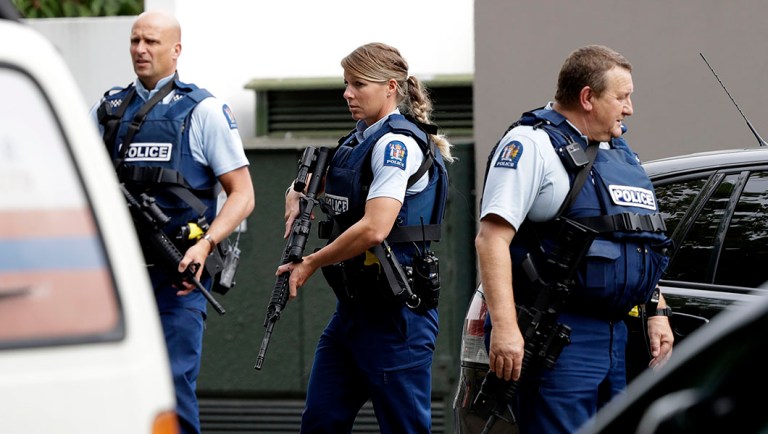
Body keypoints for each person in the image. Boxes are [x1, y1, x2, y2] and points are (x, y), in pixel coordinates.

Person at [475, 44, 675, 433]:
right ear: (587, 97)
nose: (629, 108)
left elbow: (632, 242)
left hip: (618, 336)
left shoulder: (618, 153)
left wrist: (657, 308)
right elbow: (491, 239)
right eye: (621, 97)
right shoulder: (532, 145)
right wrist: (505, 327)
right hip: (560, 338)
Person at [89, 11, 254, 434]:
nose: (141, 49)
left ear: (176, 50)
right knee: (113, 390)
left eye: (152, 42)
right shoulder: (108, 109)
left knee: (172, 387)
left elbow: (243, 195)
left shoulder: (204, 110)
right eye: (134, 40)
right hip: (119, 277)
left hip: (178, 275)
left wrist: (206, 245)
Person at [277, 42, 454, 434]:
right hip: (352, 314)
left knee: (405, 428)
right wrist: (296, 188)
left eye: (358, 84)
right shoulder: (358, 139)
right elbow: (328, 177)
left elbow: (376, 227)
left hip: (397, 316)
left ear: (391, 87)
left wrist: (312, 262)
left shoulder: (396, 145)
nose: (347, 93)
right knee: (320, 422)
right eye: (346, 83)